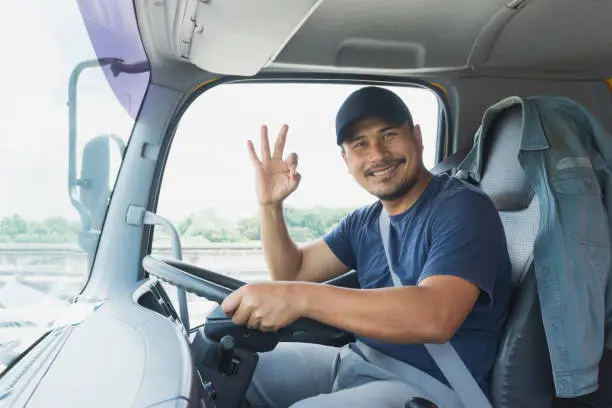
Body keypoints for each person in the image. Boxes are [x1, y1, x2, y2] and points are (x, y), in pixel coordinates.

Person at [221, 86, 512, 408]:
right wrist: (269, 206)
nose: (377, 154)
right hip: (359, 361)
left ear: (416, 136)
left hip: (433, 389)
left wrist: (297, 298)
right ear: (346, 160)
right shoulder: (365, 221)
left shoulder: (464, 207)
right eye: (360, 144)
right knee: (231, 366)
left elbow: (435, 317)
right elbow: (293, 271)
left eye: (388, 135)